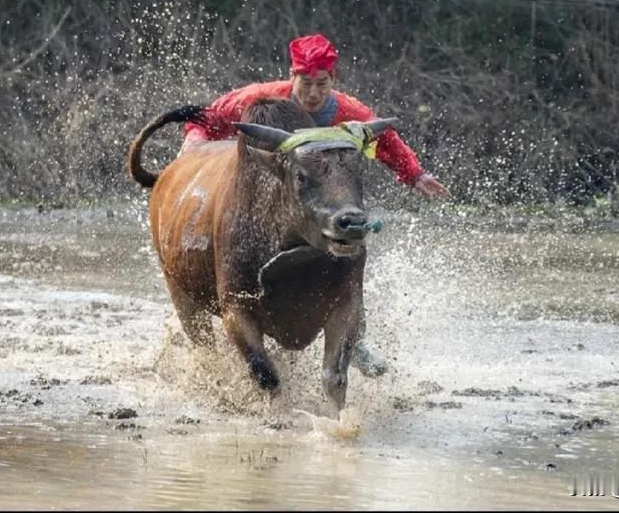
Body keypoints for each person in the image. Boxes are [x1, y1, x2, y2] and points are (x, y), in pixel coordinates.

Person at [182, 33, 449, 377]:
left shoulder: (347, 111)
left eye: (321, 84)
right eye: (304, 83)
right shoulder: (261, 99)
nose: (312, 94)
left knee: (350, 255)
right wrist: (195, 138)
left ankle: (357, 338)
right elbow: (208, 116)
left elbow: (385, 141)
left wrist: (415, 174)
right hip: (270, 199)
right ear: (291, 76)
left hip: (323, 203)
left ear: (332, 80)